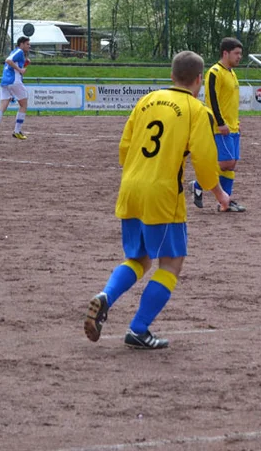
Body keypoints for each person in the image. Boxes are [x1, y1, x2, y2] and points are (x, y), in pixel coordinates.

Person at [84, 50, 229, 350]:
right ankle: (138, 329)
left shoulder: (146, 101)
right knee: (171, 261)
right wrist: (218, 192)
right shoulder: (196, 110)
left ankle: (106, 296)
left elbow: (124, 148)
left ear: (172, 75)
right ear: (199, 80)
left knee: (138, 258)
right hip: (162, 194)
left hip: (131, 186)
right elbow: (204, 160)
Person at [192, 37, 247, 212]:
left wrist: (235, 123)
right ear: (225, 53)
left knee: (232, 164)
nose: (239, 57)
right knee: (226, 161)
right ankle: (198, 183)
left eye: (240, 54)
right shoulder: (215, 72)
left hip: (232, 126)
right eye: (236, 53)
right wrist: (221, 123)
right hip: (220, 127)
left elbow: (229, 101)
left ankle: (225, 202)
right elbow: (212, 100)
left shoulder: (231, 72)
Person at [0, 36, 31, 142]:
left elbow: (12, 62)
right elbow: (8, 61)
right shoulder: (19, 52)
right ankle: (17, 131)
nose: (29, 46)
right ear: (21, 44)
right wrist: (20, 70)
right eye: (27, 44)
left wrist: (25, 64)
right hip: (14, 81)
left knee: (2, 106)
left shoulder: (14, 51)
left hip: (5, 81)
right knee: (23, 105)